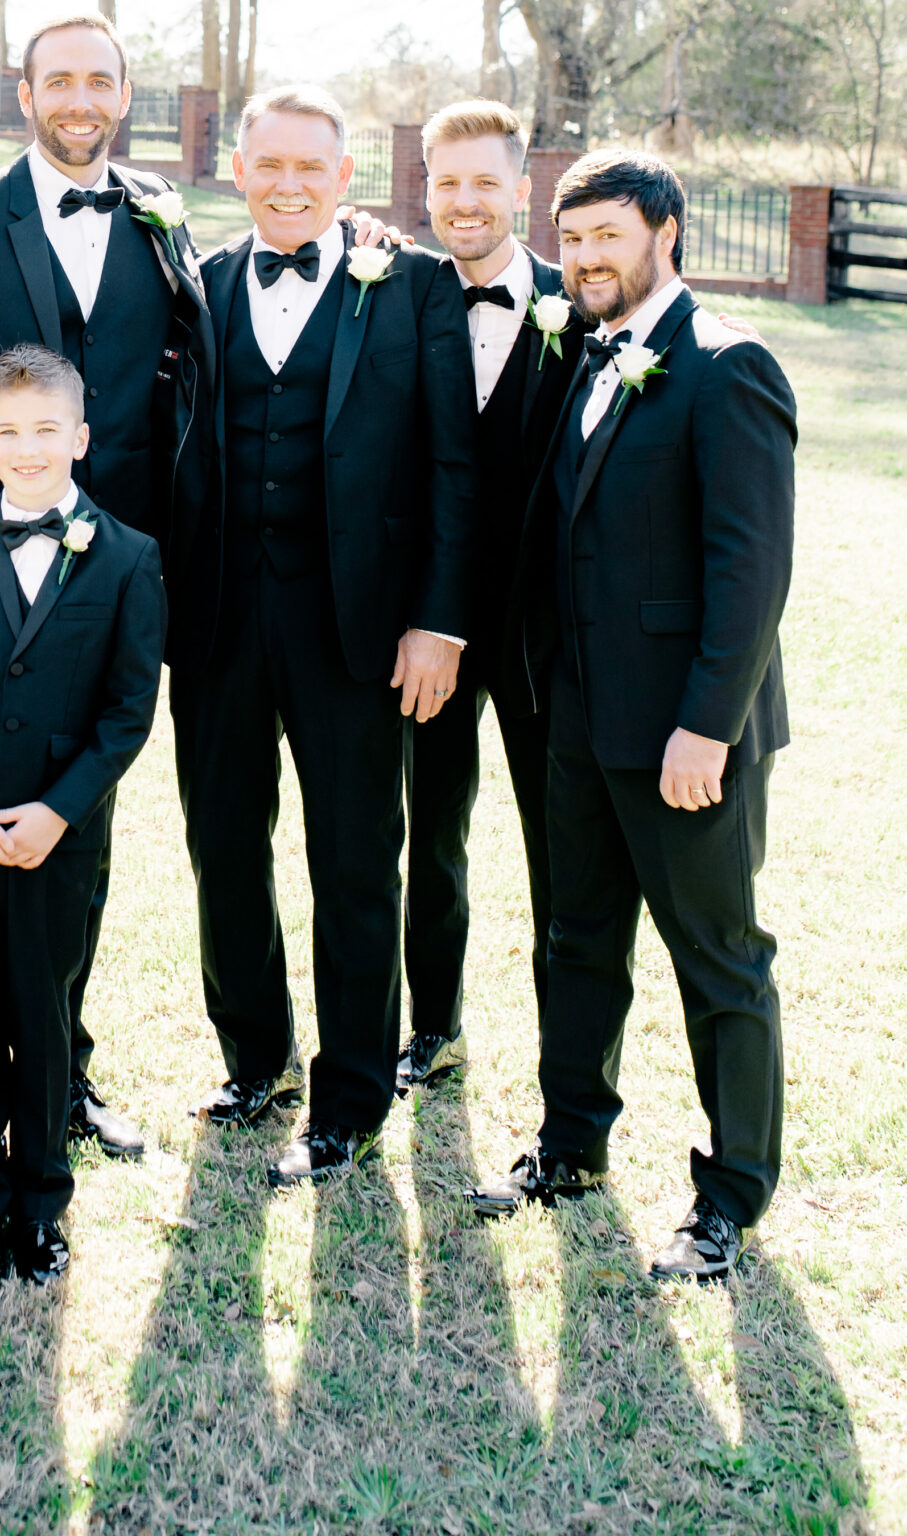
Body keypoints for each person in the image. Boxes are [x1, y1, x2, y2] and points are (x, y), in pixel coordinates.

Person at [0, 13, 214, 1161]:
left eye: (100, 79)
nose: (79, 96)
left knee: (83, 820)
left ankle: (60, 1066)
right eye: (57, 77)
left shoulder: (162, 219)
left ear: (126, 93)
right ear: (24, 91)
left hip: (110, 575)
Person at [471, 153, 796, 1284]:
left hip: (684, 739)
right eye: (574, 238)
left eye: (610, 234)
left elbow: (749, 571)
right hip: (578, 720)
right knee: (574, 940)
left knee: (717, 960)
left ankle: (731, 1198)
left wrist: (708, 726)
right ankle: (570, 1148)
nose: (588, 256)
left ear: (667, 229)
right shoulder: (583, 347)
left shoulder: (726, 366)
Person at [171, 85, 477, 1187]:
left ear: (347, 179)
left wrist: (440, 619)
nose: (290, 182)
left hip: (359, 630)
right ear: (239, 169)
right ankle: (257, 1056)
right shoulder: (196, 285)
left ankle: (351, 1094)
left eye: (313, 165)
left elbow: (454, 465)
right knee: (222, 848)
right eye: (271, 163)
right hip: (214, 622)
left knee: (355, 859)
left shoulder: (413, 286)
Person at [0, 345, 164, 1299]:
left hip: (61, 836)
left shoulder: (130, 559)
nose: (26, 448)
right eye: (5, 433)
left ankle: (42, 1206)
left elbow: (127, 711)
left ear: (80, 438)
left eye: (46, 430)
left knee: (46, 1019)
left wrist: (58, 811)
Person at [398, 100, 583, 1095]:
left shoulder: (578, 310)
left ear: (521, 192)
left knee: (563, 850)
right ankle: (433, 1028)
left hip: (549, 639)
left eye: (484, 183)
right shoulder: (391, 298)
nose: (464, 202)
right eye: (446, 183)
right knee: (430, 831)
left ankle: (570, 1048)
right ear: (425, 192)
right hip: (427, 629)